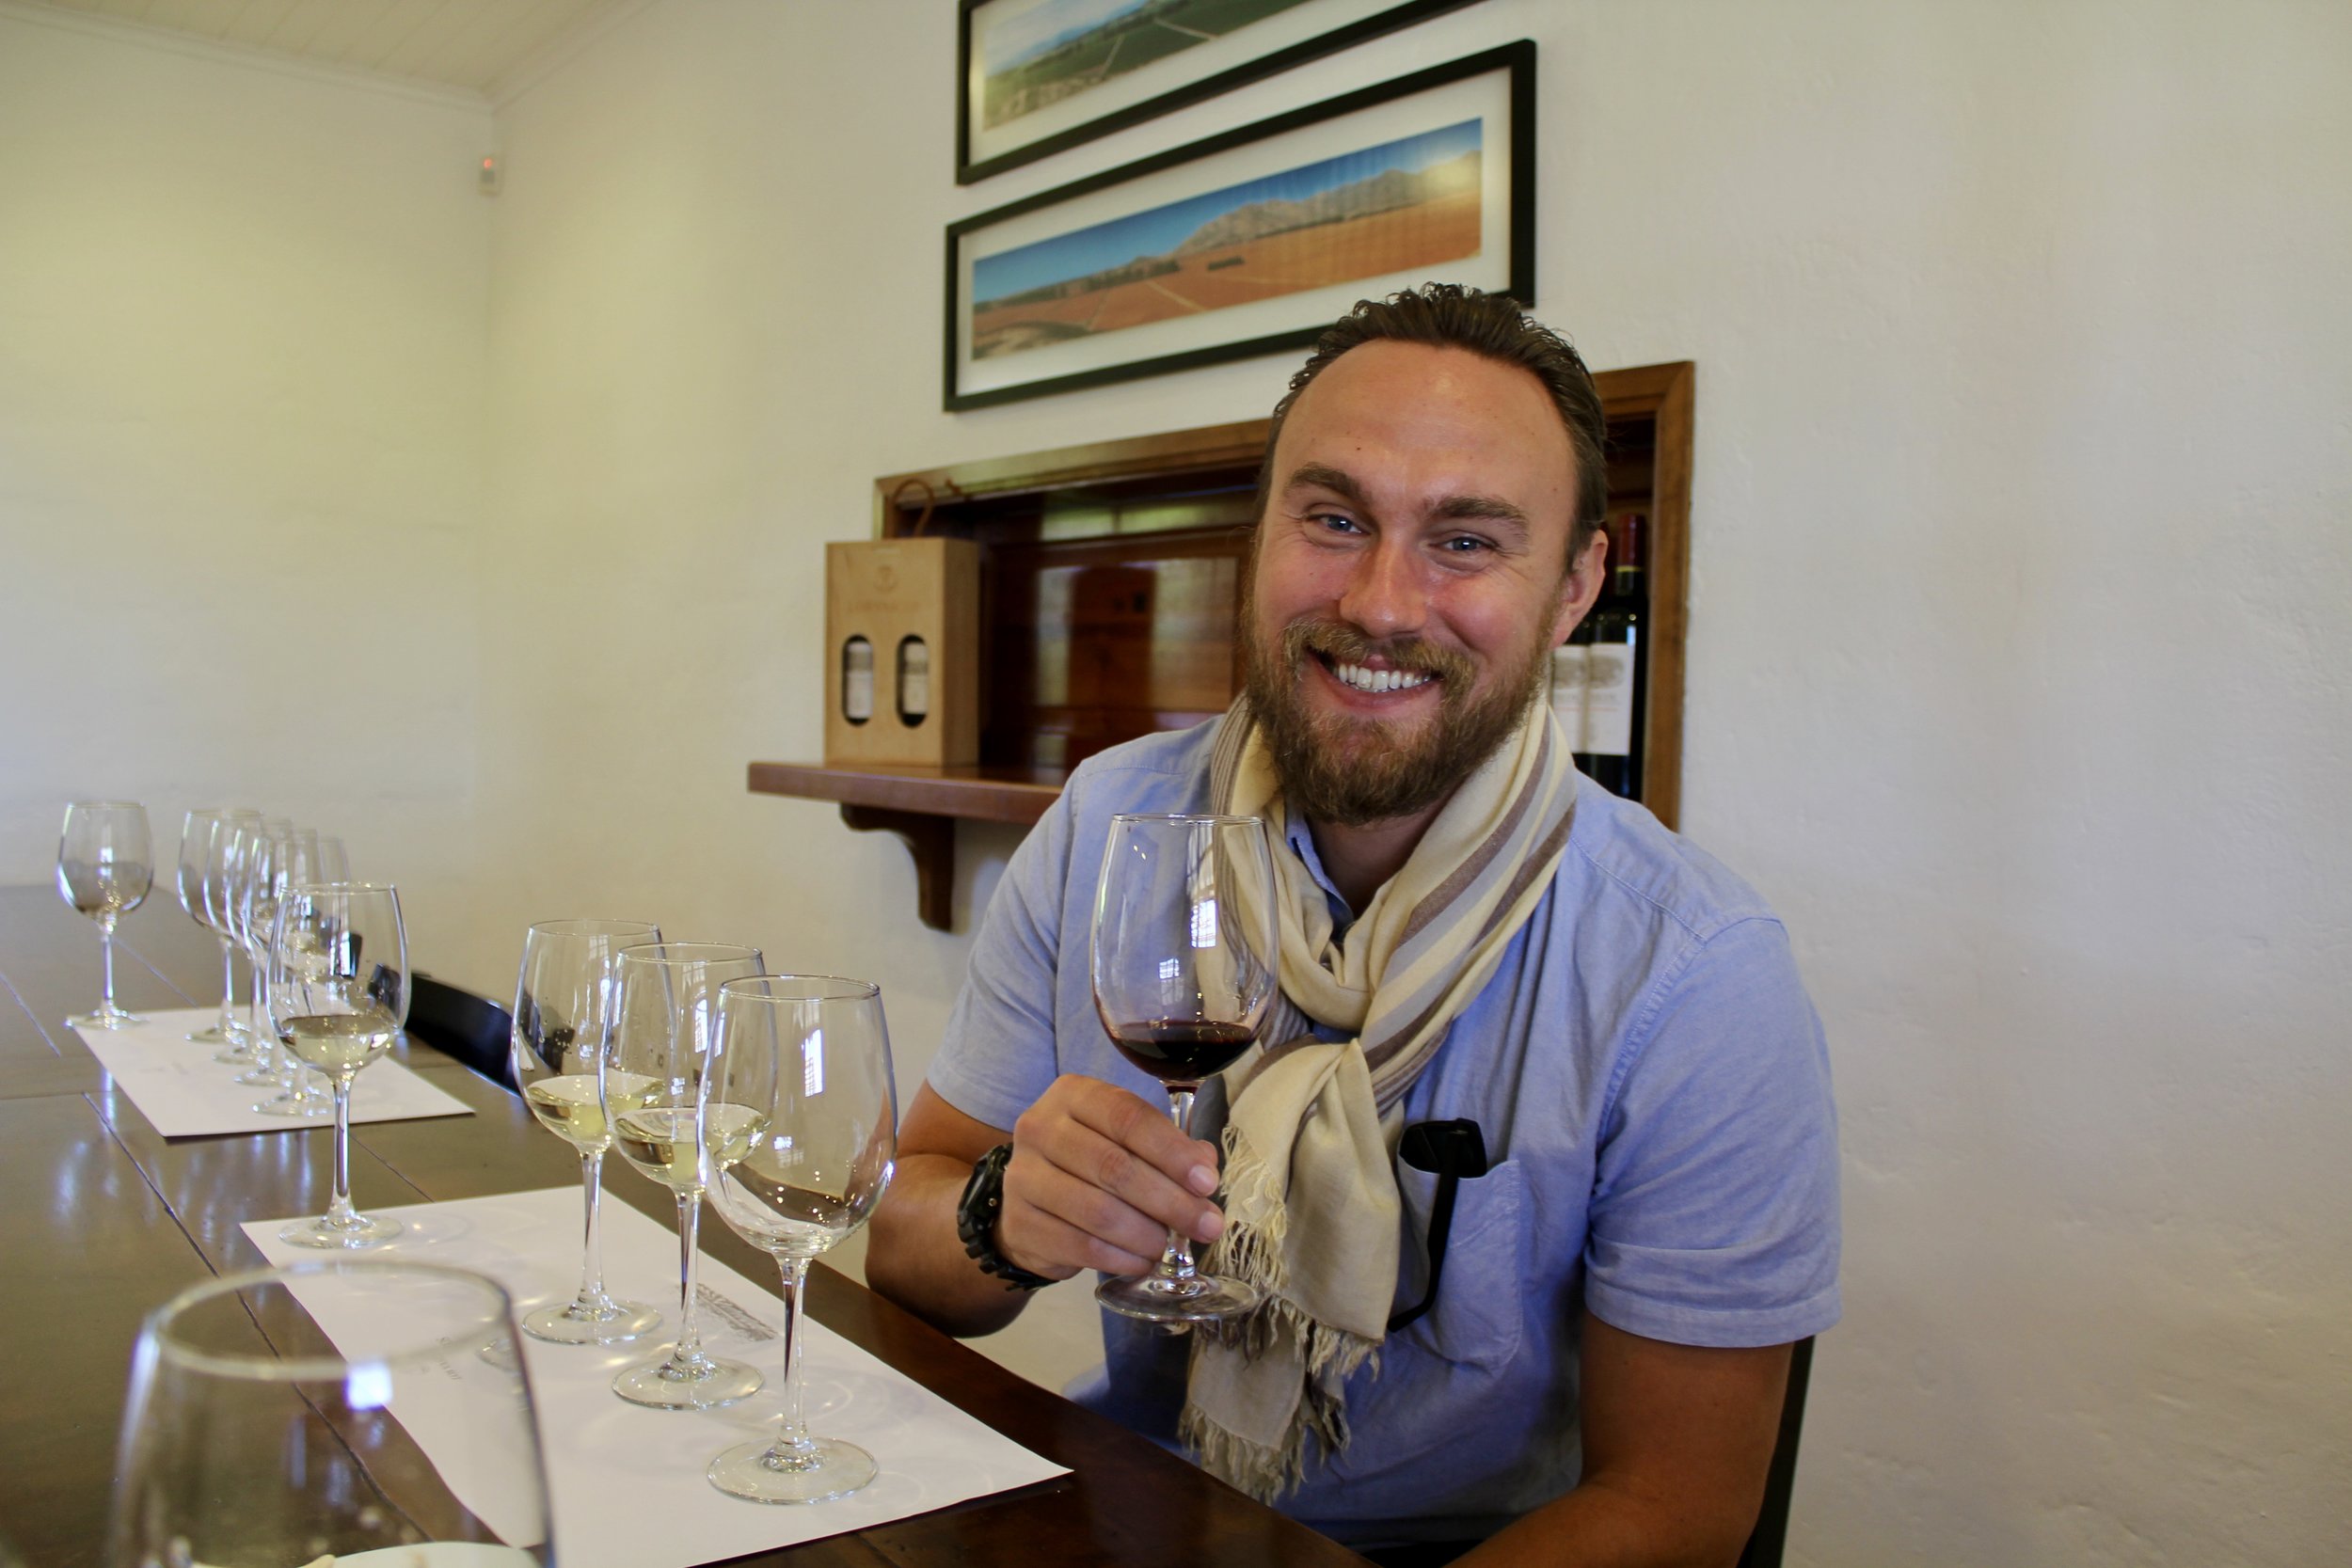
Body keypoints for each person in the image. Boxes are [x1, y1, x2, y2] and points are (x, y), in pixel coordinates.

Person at [866, 284, 1840, 1567]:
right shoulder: (1113, 828)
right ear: (1260, 537)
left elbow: (1678, 1507)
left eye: (1466, 541)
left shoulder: (1694, 972)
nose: (1382, 603)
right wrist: (1000, 1217)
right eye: (1333, 519)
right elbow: (904, 1237)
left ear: (1574, 587)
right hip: (1128, 1512)